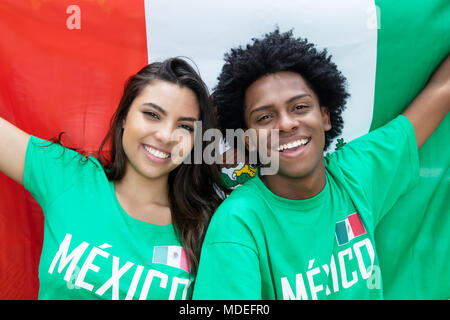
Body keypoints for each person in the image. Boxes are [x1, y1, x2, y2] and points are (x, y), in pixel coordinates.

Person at [192, 29, 450, 299]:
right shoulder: (238, 223)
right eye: (265, 117)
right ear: (248, 140)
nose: (287, 123)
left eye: (300, 107)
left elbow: (442, 90)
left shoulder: (355, 173)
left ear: (325, 116)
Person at [0, 57, 224, 300]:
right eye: (152, 114)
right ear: (125, 116)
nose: (166, 135)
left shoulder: (208, 225)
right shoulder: (69, 176)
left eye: (185, 127)